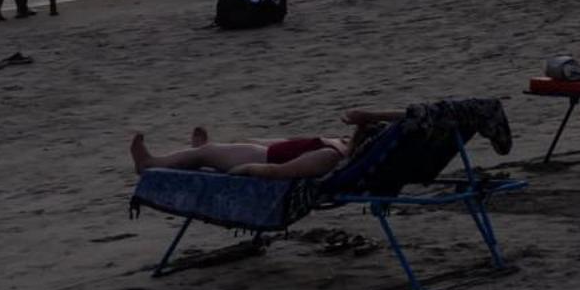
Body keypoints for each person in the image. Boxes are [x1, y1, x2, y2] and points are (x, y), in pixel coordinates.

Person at [130, 109, 402, 180]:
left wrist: (247, 170)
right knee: (232, 144)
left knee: (207, 154)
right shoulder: (339, 148)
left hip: (264, 159)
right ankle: (202, 151)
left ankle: (148, 164)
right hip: (274, 149)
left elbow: (282, 172)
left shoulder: (329, 158)